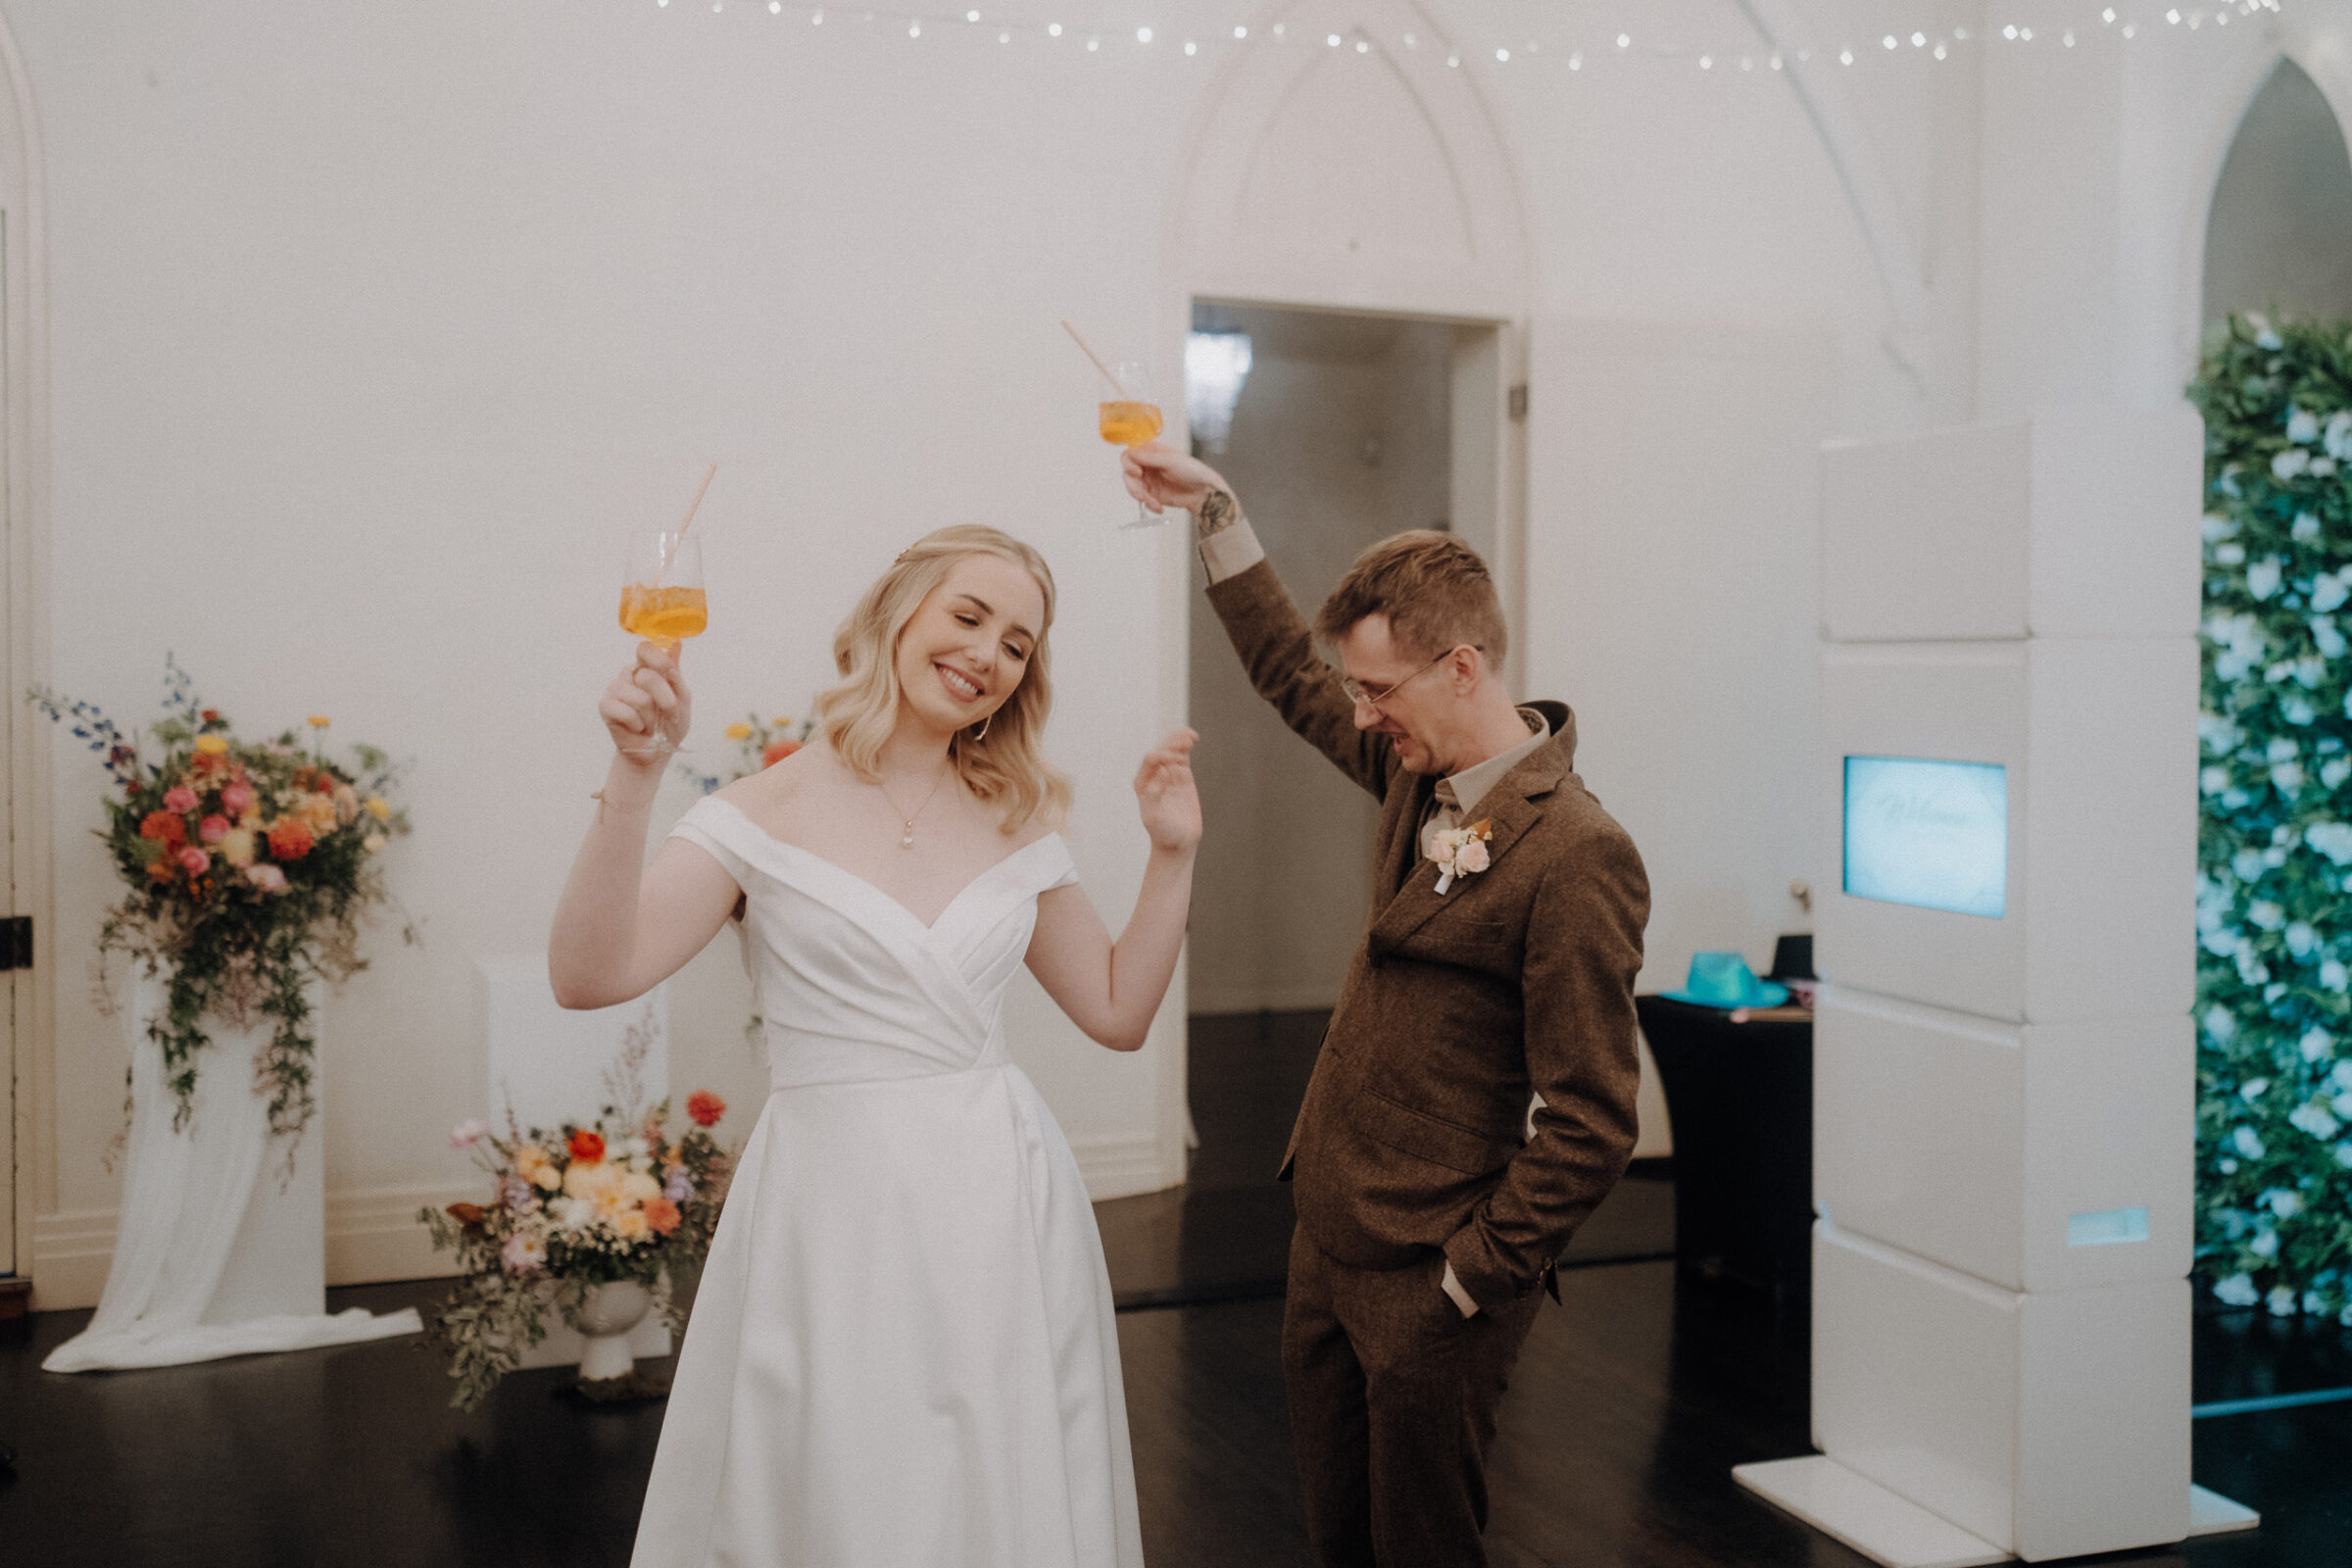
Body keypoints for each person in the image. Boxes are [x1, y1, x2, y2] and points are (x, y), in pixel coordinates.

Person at [549, 523, 1198, 1568]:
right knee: (841, 1480)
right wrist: (634, 776)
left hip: (998, 1198)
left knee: (993, 1480)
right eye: (970, 616)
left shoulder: (1016, 820)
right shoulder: (763, 808)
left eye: (1020, 643)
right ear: (898, 615)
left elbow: (1118, 1010)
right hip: (830, 1206)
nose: (990, 653)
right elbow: (588, 975)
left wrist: (1173, 855)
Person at [1123, 444, 1649, 1568]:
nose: (1360, 714)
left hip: (1434, 1278)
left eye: (1379, 689)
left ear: (1462, 667)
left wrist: (1470, 1277)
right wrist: (1215, 511)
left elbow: (1597, 1115)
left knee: (1424, 1548)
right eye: (1359, 689)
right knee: (1339, 1539)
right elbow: (1288, 675)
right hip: (1326, 1234)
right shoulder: (1413, 777)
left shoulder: (1580, 852)